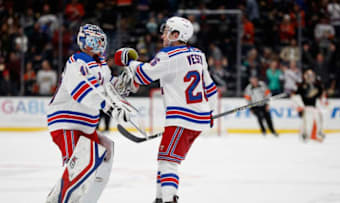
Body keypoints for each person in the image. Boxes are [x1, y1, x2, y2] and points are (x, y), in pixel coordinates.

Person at [114, 16, 218, 203]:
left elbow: (144, 75)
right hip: (197, 118)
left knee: (169, 162)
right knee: (165, 158)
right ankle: (160, 198)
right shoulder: (199, 55)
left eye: (167, 31)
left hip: (181, 118)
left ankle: (169, 199)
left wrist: (128, 61)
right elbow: (210, 88)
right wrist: (210, 111)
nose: (163, 35)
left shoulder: (168, 55)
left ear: (176, 34)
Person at [46, 24, 129, 203]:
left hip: (87, 126)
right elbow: (83, 93)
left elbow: (110, 87)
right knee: (80, 164)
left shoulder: (101, 66)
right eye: (95, 40)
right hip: (66, 122)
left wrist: (127, 82)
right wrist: (112, 108)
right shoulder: (77, 62)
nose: (100, 44)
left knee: (101, 161)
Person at [293, 69, 325, 142]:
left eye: (311, 76)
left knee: (318, 120)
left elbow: (321, 95)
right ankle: (304, 135)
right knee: (305, 122)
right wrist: (298, 106)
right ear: (305, 76)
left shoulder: (317, 86)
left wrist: (323, 100)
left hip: (314, 107)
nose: (310, 77)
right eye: (308, 76)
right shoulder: (301, 86)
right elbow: (296, 96)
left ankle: (316, 134)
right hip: (305, 107)